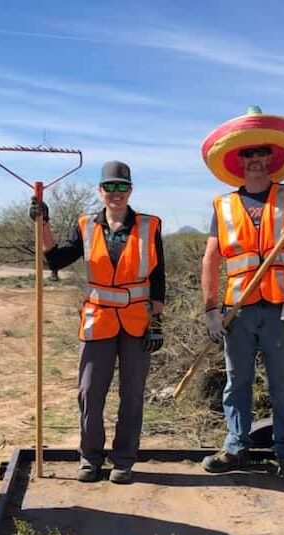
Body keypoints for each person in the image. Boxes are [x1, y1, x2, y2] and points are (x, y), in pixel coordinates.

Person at [199, 106, 284, 487]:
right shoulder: (223, 206)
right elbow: (211, 259)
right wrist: (211, 309)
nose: (254, 160)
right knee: (236, 381)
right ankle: (236, 446)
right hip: (237, 312)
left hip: (279, 309)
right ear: (237, 160)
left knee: (282, 384)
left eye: (260, 153)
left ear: (270, 158)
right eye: (247, 153)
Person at [35, 161, 165, 485]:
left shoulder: (150, 226)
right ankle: (90, 458)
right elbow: (55, 259)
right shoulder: (85, 225)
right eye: (110, 187)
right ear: (100, 190)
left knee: (132, 394)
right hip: (98, 321)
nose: (116, 193)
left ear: (131, 190)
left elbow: (159, 278)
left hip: (137, 322)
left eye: (122, 187)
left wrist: (158, 321)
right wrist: (44, 223)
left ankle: (124, 460)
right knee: (90, 392)